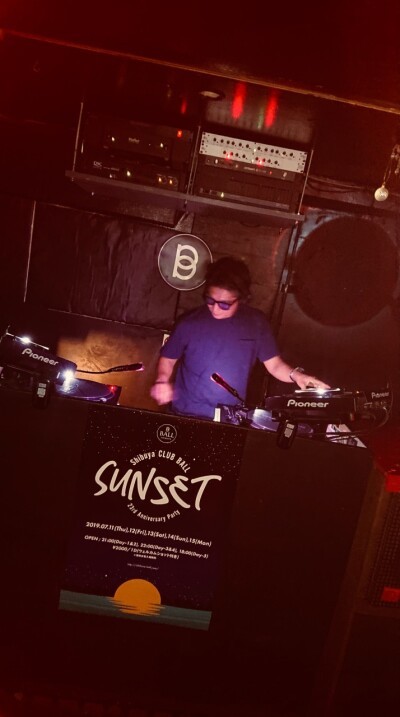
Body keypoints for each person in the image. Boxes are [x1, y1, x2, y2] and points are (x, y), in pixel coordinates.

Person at [150, 257, 330, 419]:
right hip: (184, 413)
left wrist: (297, 376)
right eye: (210, 300)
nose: (215, 309)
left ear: (242, 299)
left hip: (228, 418)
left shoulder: (256, 324)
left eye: (224, 304)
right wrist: (162, 380)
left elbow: (275, 366)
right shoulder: (189, 322)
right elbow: (168, 358)